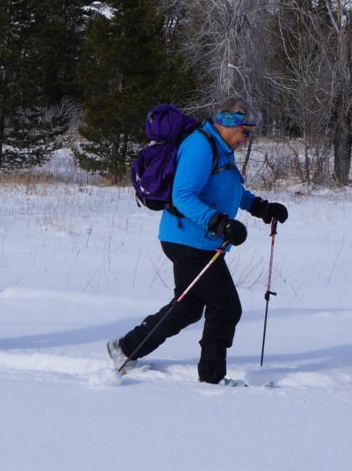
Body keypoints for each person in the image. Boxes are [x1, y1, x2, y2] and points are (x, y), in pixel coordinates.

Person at [107, 98, 289, 386]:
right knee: (227, 307)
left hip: (198, 241)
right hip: (187, 240)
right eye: (246, 132)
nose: (248, 138)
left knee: (188, 307)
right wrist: (220, 223)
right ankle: (212, 378)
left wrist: (260, 207)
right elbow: (183, 196)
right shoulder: (200, 146)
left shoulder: (221, 148)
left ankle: (125, 348)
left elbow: (229, 188)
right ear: (229, 124)